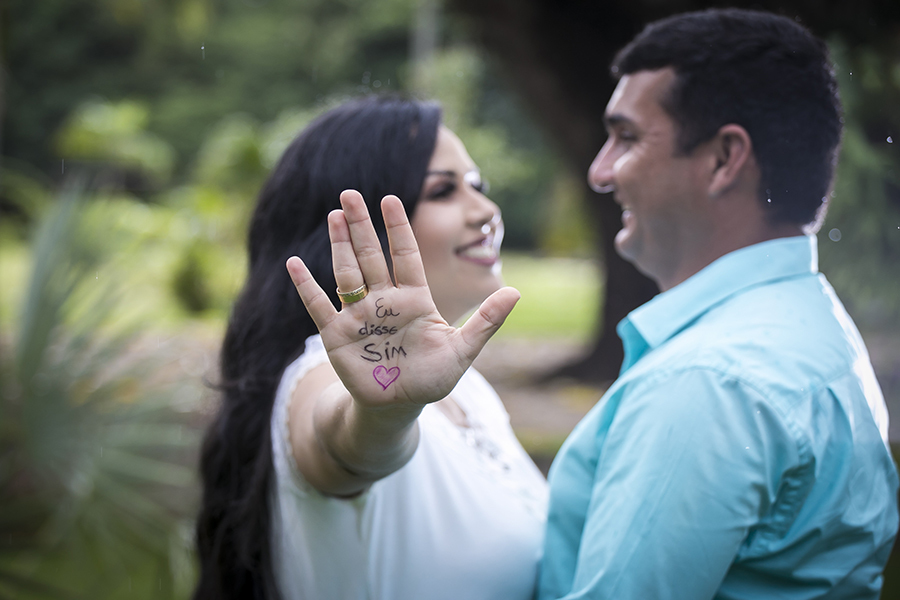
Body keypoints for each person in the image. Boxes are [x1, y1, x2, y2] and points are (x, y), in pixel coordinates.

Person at [537, 8, 899, 600]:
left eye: (627, 137)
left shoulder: (711, 380)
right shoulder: (808, 322)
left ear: (724, 159)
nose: (600, 171)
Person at [193, 96, 548, 600]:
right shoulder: (320, 379)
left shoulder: (470, 392)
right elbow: (343, 447)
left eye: (478, 186)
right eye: (444, 191)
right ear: (356, 229)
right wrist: (383, 417)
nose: (487, 210)